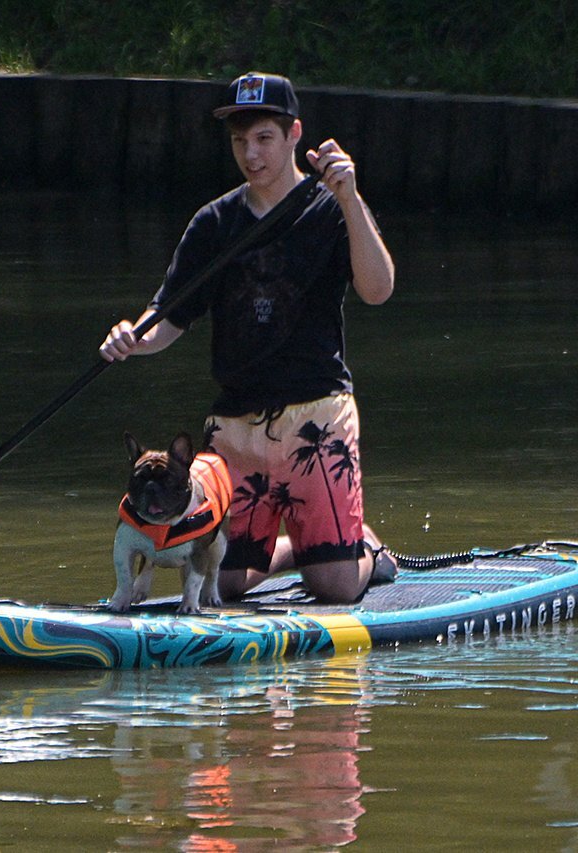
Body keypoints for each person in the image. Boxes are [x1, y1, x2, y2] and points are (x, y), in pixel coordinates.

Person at [99, 71, 396, 603]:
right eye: (240, 141)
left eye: (263, 139)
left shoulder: (331, 209)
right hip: (235, 429)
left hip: (318, 419)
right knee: (227, 581)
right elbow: (167, 317)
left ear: (293, 135)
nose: (251, 154)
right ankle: (293, 550)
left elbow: (378, 289)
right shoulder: (213, 223)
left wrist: (350, 197)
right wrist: (131, 338)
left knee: (334, 589)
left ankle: (362, 551)